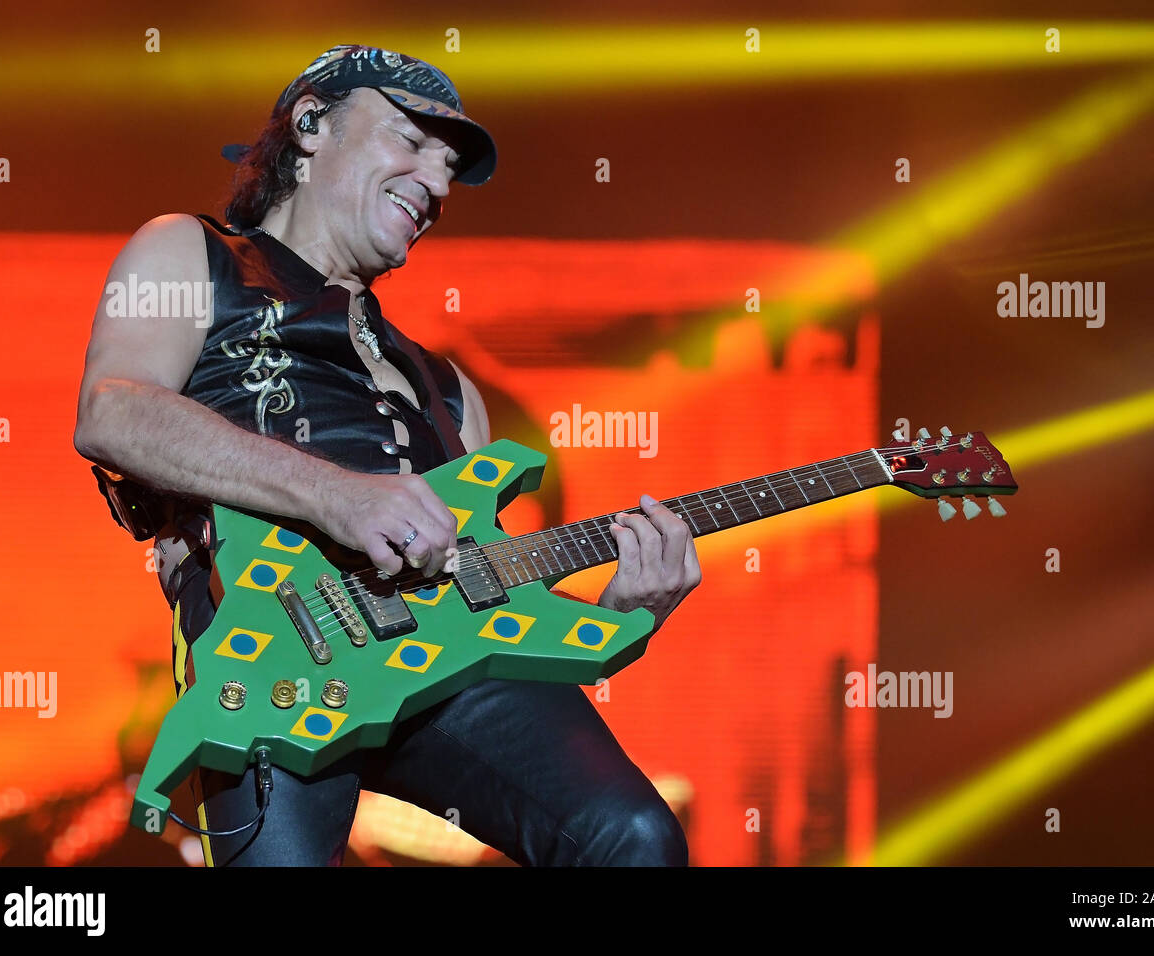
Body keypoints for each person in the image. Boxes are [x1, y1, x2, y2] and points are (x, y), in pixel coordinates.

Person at [73, 44, 700, 867]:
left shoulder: (452, 392)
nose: (437, 186)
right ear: (310, 124)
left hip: (442, 675)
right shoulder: (190, 255)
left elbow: (491, 607)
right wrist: (341, 496)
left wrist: (622, 617)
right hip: (271, 659)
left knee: (635, 837)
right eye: (411, 141)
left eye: (448, 169)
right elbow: (111, 413)